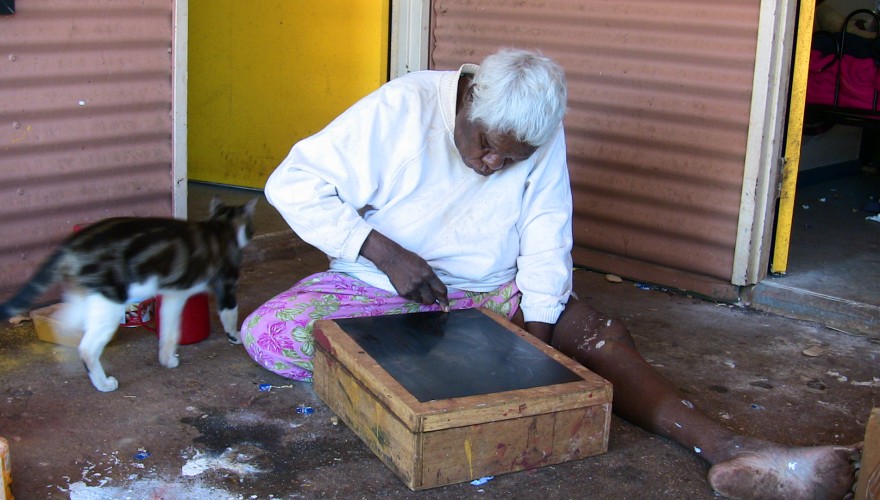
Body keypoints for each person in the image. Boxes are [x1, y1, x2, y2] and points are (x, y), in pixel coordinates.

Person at [242, 48, 860, 498]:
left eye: (512, 158)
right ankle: (445, 372)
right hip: (375, 285)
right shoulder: (402, 107)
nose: (494, 164)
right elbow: (293, 184)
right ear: (468, 102)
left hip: (491, 292)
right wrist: (382, 251)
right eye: (486, 146)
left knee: (592, 332)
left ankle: (735, 450)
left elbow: (545, 231)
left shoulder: (535, 132)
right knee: (271, 333)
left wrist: (535, 341)